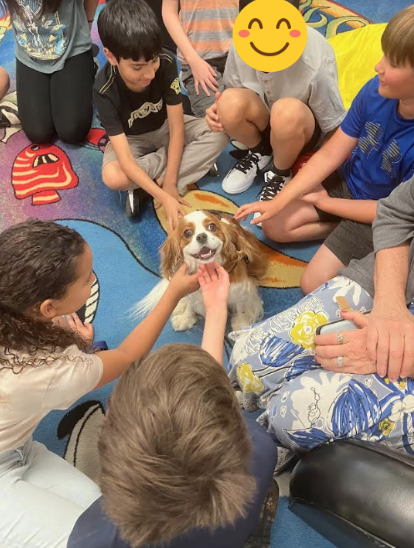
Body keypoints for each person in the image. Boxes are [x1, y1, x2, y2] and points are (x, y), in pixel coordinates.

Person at [0, 219, 200, 548]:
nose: (94, 280)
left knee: (102, 509)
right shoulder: (53, 371)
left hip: (17, 446)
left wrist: (70, 348)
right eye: (86, 279)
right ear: (48, 307)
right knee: (97, 541)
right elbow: (127, 354)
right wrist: (175, 290)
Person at [68, 264, 279, 548]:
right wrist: (216, 312)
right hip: (234, 527)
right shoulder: (260, 446)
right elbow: (207, 406)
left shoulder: (96, 536)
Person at [229, 176, 414, 465]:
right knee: (248, 359)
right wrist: (389, 306)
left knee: (294, 412)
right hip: (396, 280)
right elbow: (397, 210)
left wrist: (397, 351)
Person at [236, 5, 414, 294]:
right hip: (350, 182)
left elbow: (391, 212)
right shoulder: (375, 90)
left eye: (392, 62)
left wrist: (325, 204)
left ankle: (360, 235)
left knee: (312, 283)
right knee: (273, 225)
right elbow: (333, 153)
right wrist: (277, 202)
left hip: (384, 214)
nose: (378, 66)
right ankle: (337, 225)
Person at [94, 0, 229, 229]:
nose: (148, 73)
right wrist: (165, 195)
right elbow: (126, 160)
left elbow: (177, 129)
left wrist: (171, 183)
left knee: (221, 131)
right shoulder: (103, 88)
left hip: (166, 127)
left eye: (152, 61)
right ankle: (185, 164)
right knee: (113, 177)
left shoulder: (166, 63)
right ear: (111, 56)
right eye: (137, 67)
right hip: (132, 140)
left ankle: (147, 185)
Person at [205, 0, 345, 197]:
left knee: (285, 111)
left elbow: (333, 125)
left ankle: (281, 172)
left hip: (299, 129)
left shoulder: (316, 56)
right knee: (228, 102)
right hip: (264, 119)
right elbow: (233, 91)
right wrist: (218, 110)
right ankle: (261, 151)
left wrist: (317, 165)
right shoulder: (244, 39)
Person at [0, 0, 98, 144]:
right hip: (28, 49)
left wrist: (89, 20)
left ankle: (88, 67)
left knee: (73, 131)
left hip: (72, 45)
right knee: (38, 133)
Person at [162, 0, 238, 118]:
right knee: (216, 123)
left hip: (239, 56)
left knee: (248, 118)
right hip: (199, 61)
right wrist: (193, 60)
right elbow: (169, 12)